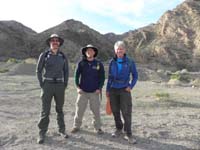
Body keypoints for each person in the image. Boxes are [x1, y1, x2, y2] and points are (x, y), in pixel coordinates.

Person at [36, 34, 69, 144]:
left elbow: (66, 71)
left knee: (60, 109)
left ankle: (62, 130)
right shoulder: (44, 55)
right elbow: (38, 70)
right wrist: (42, 84)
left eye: (57, 40)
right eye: (53, 40)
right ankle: (42, 132)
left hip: (59, 85)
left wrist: (64, 84)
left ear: (59, 43)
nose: (55, 42)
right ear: (50, 42)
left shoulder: (63, 56)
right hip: (48, 85)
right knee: (45, 110)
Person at [106, 41, 138, 144]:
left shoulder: (129, 62)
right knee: (115, 111)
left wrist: (130, 86)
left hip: (124, 90)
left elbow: (135, 75)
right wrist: (107, 89)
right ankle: (119, 129)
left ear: (124, 50)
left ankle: (128, 134)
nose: (119, 50)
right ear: (115, 51)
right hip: (113, 90)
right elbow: (110, 77)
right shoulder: (112, 62)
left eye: (121, 49)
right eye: (117, 49)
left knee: (126, 112)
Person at [71, 44, 105, 134]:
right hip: (83, 92)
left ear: (94, 52)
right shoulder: (81, 63)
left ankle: (97, 128)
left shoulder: (98, 64)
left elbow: (102, 77)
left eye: (91, 50)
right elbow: (76, 76)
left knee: (96, 111)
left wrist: (99, 88)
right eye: (87, 51)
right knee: (79, 110)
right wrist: (78, 87)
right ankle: (76, 126)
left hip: (95, 92)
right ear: (85, 53)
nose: (89, 52)